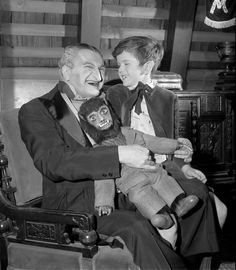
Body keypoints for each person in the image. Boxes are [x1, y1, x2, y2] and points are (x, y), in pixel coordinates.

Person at [18, 43, 190, 270]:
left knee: (190, 198)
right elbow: (53, 162)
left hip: (130, 188)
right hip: (80, 207)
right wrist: (119, 154)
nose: (99, 76)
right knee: (137, 226)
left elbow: (135, 137)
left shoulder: (105, 102)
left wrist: (176, 148)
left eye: (101, 69)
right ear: (66, 71)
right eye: (89, 67)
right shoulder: (37, 109)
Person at [106, 36, 226, 268]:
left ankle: (193, 261)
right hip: (133, 172)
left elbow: (172, 142)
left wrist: (185, 165)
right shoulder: (114, 94)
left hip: (164, 167)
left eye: (126, 64)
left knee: (213, 203)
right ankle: (178, 262)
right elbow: (112, 139)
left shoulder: (167, 98)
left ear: (148, 66)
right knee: (202, 197)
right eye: (118, 64)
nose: (120, 70)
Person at [78, 96, 199, 230]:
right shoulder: (100, 152)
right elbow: (103, 177)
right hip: (132, 182)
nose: (101, 119)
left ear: (110, 111)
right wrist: (104, 202)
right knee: (141, 195)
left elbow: (154, 142)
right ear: (88, 125)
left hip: (153, 170)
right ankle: (161, 217)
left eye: (104, 112)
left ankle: (178, 204)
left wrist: (176, 145)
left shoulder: (130, 132)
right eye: (93, 118)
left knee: (164, 180)